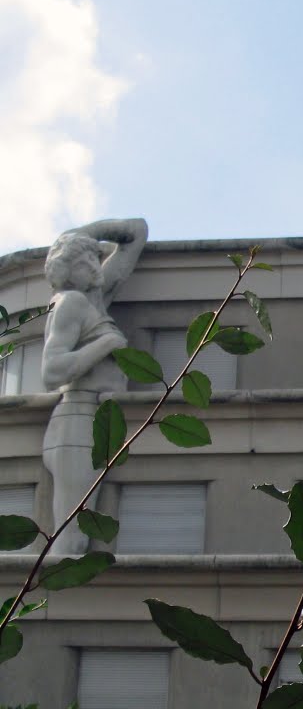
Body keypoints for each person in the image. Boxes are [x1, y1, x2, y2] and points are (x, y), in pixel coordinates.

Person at [42, 219, 148, 554]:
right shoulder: (71, 302)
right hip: (77, 419)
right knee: (71, 539)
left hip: (94, 418)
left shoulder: (96, 298)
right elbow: (51, 370)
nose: (93, 265)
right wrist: (105, 345)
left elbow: (136, 232)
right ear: (68, 274)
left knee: (79, 532)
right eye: (82, 263)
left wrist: (76, 239)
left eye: (93, 258)